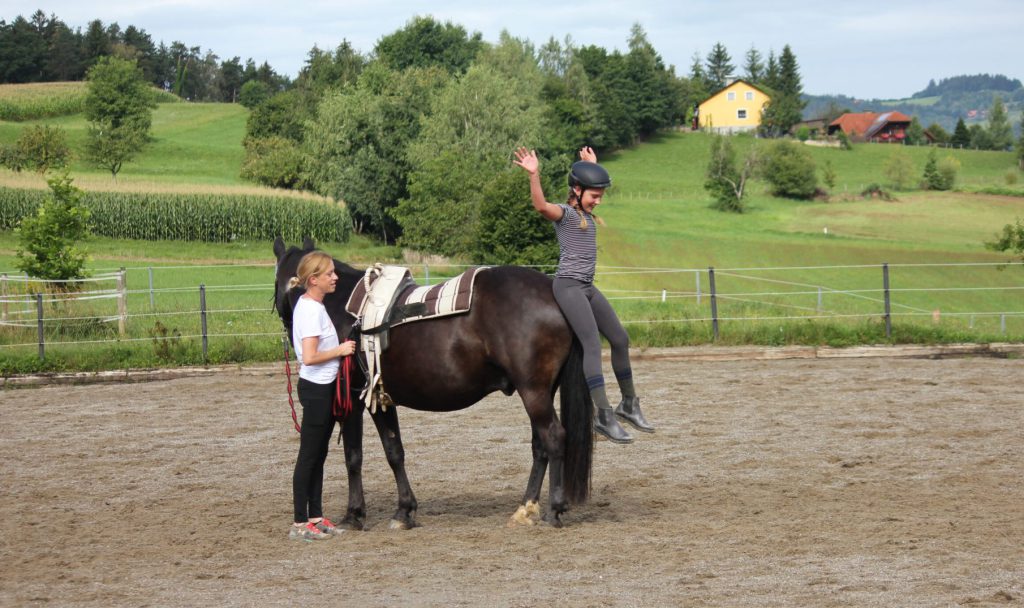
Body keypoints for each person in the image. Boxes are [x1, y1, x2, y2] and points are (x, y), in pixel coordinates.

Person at [513, 146, 654, 444]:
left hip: (587, 287)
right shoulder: (564, 214)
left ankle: (628, 404)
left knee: (620, 339)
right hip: (568, 286)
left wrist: (593, 167)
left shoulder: (588, 215)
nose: (598, 200)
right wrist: (534, 175)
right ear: (576, 191)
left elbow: (592, 185)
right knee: (591, 344)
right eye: (594, 195)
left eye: (600, 195)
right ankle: (603, 416)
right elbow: (540, 206)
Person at [287, 250, 357, 540]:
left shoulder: (312, 305)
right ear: (313, 279)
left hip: (323, 387)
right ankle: (300, 523)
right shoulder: (311, 310)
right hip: (317, 389)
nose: (335, 277)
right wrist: (340, 350)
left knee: (319, 454)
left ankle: (315, 516)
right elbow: (310, 356)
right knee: (309, 456)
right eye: (329, 274)